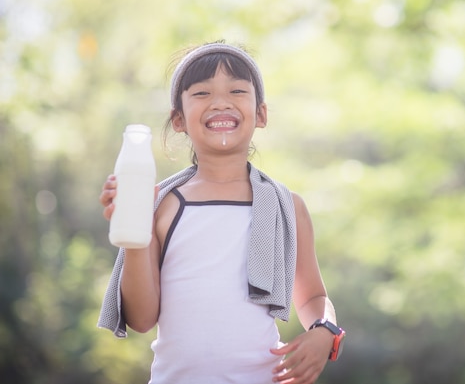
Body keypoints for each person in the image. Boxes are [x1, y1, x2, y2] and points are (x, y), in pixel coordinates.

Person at [97, 42, 345, 384]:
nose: (220, 101)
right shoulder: (160, 205)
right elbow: (141, 319)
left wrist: (324, 330)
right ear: (179, 119)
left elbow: (314, 297)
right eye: (201, 93)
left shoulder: (288, 206)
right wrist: (134, 227)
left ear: (261, 114)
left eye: (237, 90)